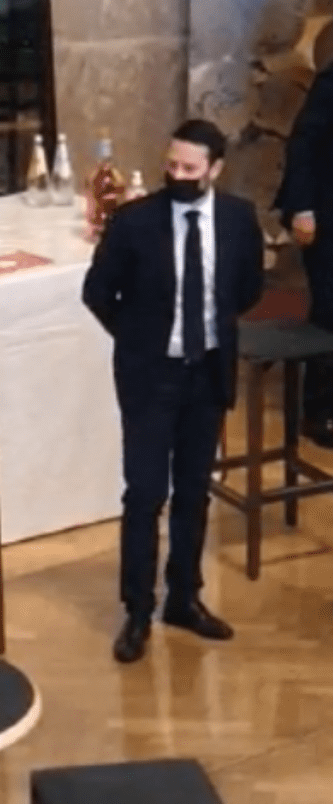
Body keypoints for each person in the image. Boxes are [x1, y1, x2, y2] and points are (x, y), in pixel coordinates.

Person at [83, 119, 264, 664]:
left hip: (207, 371)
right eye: (172, 165)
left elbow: (249, 288)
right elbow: (97, 291)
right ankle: (137, 608)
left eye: (190, 167)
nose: (178, 175)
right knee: (144, 493)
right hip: (150, 375)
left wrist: (207, 332)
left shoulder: (237, 218)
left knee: (193, 490)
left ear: (215, 169)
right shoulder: (135, 221)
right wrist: (138, 339)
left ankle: (184, 597)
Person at [273, 61, 333, 448]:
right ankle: (320, 411)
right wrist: (302, 208)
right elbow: (305, 143)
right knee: (330, 313)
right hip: (327, 215)